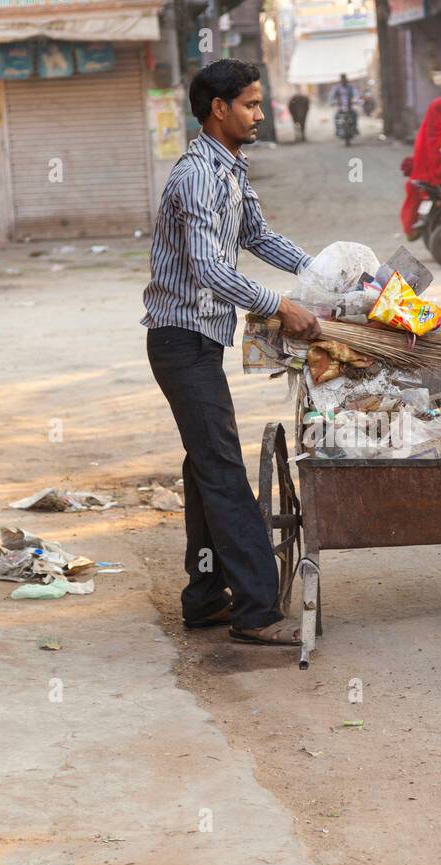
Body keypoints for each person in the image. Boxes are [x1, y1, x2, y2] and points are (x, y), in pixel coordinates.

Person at [142, 59, 321, 646]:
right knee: (222, 470)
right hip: (180, 343)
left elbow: (258, 237)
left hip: (201, 340)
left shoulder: (231, 169)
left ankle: (203, 597)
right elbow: (211, 270)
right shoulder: (196, 176)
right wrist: (281, 306)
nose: (260, 114)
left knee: (203, 466)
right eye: (250, 104)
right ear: (218, 109)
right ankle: (257, 612)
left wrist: (324, 272)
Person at [400, 96, 441, 240]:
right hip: (436, 176)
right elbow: (438, 157)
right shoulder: (440, 132)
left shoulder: (426, 129)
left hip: (422, 175)